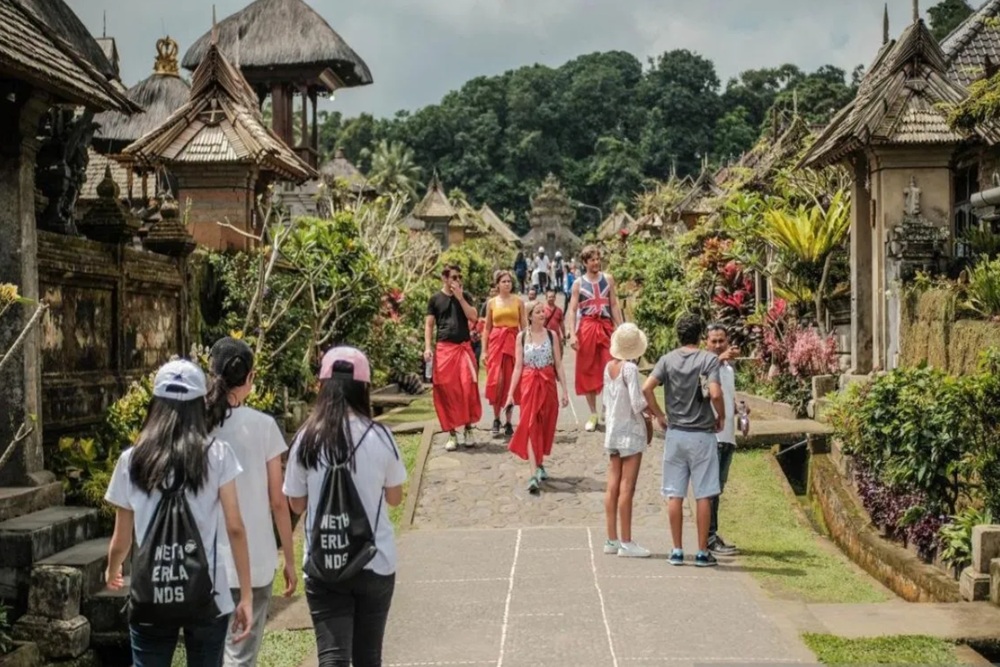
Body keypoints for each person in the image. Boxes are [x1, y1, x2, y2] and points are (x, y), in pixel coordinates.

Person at [104, 359, 253, 667]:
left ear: (156, 403)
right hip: (207, 595)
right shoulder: (217, 453)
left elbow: (122, 538)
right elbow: (235, 527)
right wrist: (247, 596)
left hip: (150, 594)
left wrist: (112, 569)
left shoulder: (131, 460)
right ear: (200, 403)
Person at [284, 347, 407, 667]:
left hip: (324, 561)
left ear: (322, 387)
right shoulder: (380, 436)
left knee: (332, 657)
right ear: (363, 388)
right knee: (369, 657)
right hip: (374, 560)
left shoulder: (305, 438)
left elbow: (296, 503)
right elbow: (395, 498)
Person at [205, 338, 297, 667]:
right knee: (241, 656)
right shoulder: (264, 427)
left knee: (213, 654)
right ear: (250, 378)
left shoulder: (200, 428)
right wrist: (288, 556)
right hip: (255, 561)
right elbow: (278, 501)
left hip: (207, 562)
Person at [642, 314, 725, 568]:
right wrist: (720, 415)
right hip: (701, 434)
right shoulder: (708, 359)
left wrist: (659, 414)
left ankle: (676, 549)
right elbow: (715, 392)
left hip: (675, 433)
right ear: (701, 335)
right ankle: (701, 551)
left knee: (674, 494)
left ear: (678, 334)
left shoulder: (667, 360)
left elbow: (647, 388)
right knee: (703, 495)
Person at [504, 302, 570, 494]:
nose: (543, 314)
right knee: (531, 424)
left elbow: (558, 364)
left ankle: (539, 463)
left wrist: (565, 391)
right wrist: (510, 394)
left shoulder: (552, 335)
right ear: (530, 315)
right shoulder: (522, 337)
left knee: (545, 425)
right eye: (538, 312)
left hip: (548, 383)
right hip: (529, 384)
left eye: (544, 311)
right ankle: (533, 474)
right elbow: (518, 367)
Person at [601, 324, 652, 558]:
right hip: (629, 430)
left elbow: (606, 400)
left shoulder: (608, 367)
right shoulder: (630, 369)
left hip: (613, 429)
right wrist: (651, 417)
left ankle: (611, 538)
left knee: (612, 484)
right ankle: (627, 541)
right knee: (627, 486)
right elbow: (637, 402)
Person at [424, 265, 482, 451]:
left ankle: (468, 428)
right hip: (444, 349)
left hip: (463, 348)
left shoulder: (465, 296)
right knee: (447, 392)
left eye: (459, 277)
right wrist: (427, 347)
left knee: (467, 388)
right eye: (454, 277)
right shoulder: (435, 299)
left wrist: (460, 298)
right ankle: (451, 433)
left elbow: (474, 317)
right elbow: (429, 325)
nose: (457, 280)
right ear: (444, 278)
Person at [567, 245, 623, 432]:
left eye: (598, 258)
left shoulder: (608, 279)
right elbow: (572, 310)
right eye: (592, 259)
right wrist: (572, 333)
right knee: (587, 370)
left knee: (611, 368)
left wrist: (621, 327)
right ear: (585, 263)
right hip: (587, 328)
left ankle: (607, 409)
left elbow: (614, 305)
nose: (596, 262)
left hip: (606, 326)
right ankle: (593, 413)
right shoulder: (578, 283)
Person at [705, 323, 745, 556]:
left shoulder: (728, 369)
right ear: (706, 342)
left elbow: (727, 396)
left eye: (722, 340)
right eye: (714, 341)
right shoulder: (710, 364)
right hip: (714, 436)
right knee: (711, 489)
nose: (719, 345)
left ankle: (712, 534)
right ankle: (710, 537)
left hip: (728, 435)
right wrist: (720, 358)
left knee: (718, 488)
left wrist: (739, 408)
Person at [484, 271, 527, 438]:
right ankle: (496, 418)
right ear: (498, 284)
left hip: (513, 342)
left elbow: (523, 325)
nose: (507, 284)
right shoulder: (492, 303)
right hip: (496, 343)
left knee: (511, 382)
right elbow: (487, 327)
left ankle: (509, 421)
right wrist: (485, 350)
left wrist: (527, 344)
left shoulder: (518, 301)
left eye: (509, 281)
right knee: (496, 381)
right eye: (503, 281)